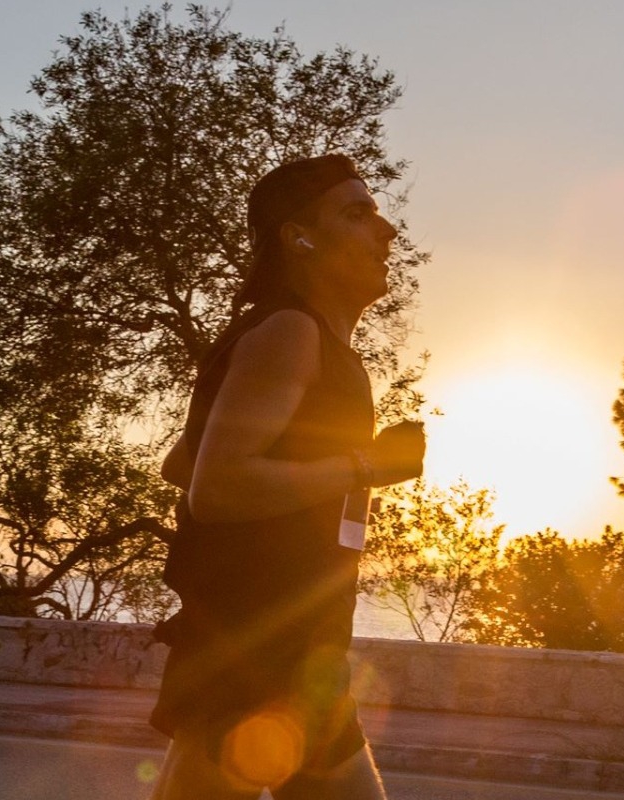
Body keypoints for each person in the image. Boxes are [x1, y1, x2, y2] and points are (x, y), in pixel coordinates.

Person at [148, 154, 426, 800]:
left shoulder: (318, 349)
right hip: (252, 661)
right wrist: (365, 466)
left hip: (304, 658)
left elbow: (183, 463)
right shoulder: (290, 333)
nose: (385, 232)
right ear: (299, 238)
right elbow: (214, 488)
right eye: (358, 214)